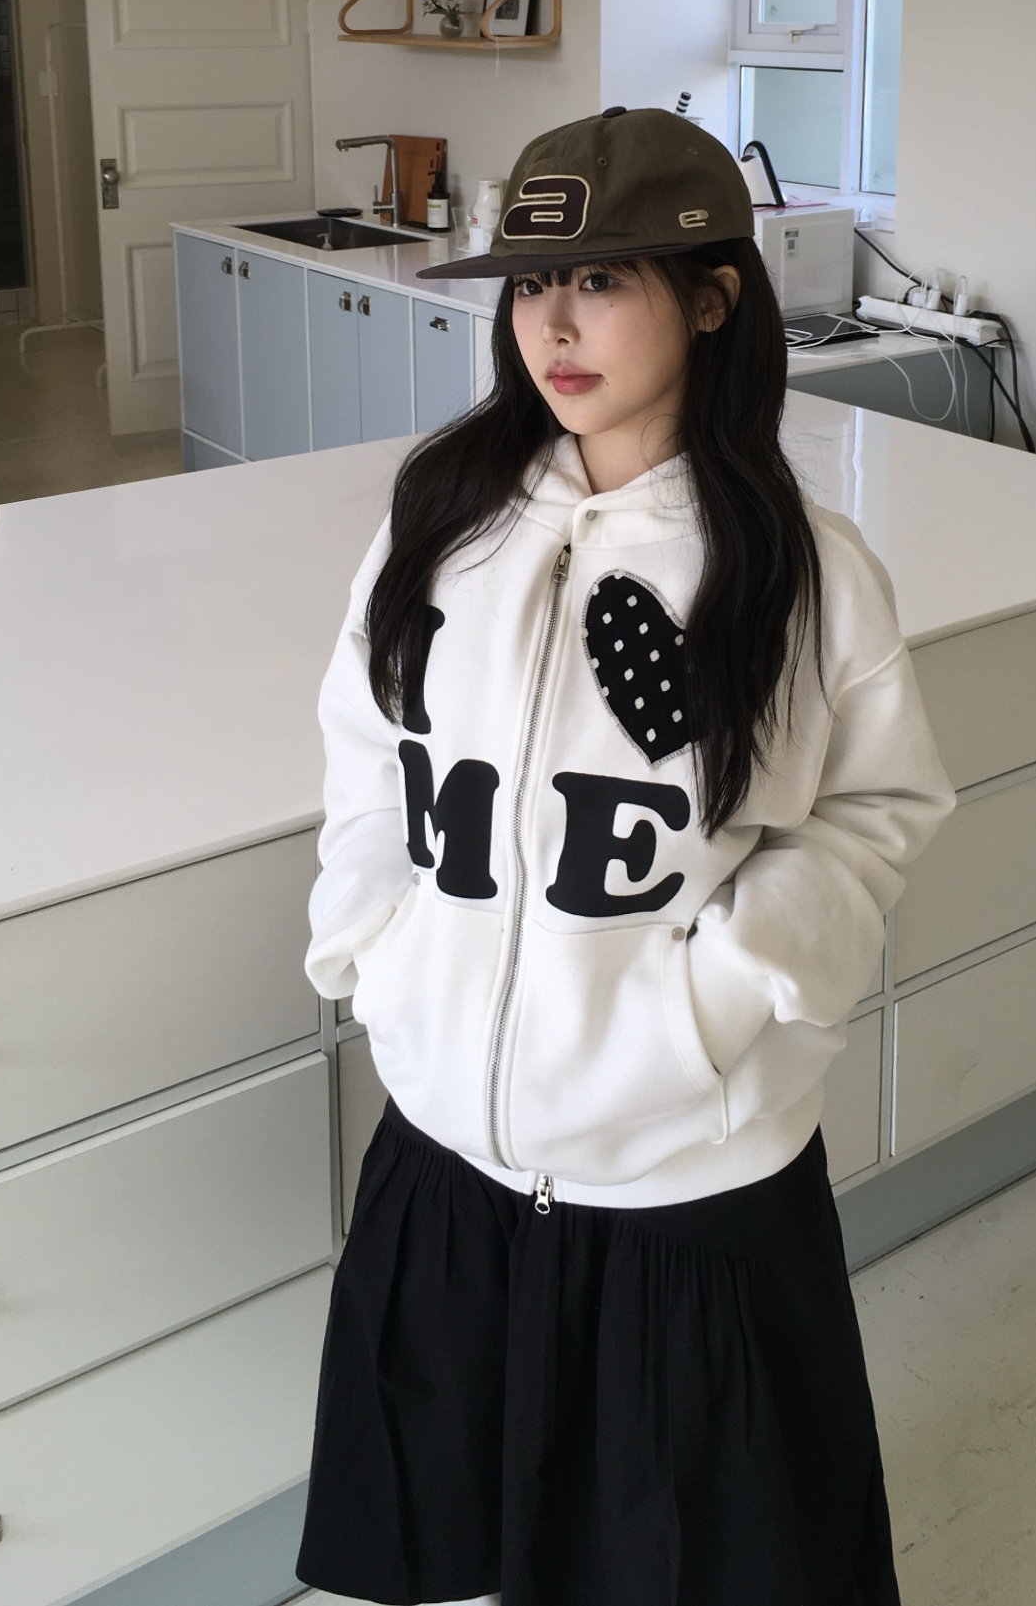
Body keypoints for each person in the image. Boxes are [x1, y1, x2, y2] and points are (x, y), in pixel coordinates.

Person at [294, 107, 955, 1606]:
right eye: (531, 285)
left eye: (601, 281)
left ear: (713, 298)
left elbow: (875, 810)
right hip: (449, 1156)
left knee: (691, 1562)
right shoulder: (443, 524)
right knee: (456, 1541)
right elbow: (366, 748)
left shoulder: (800, 570)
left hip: (687, 1187)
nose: (552, 326)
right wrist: (379, 947)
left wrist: (716, 1004)